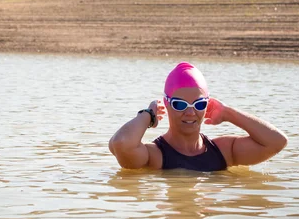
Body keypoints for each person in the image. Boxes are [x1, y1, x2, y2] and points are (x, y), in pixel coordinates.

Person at [109, 62, 287, 171]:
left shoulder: (223, 151)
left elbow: (277, 142)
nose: (190, 112)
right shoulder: (155, 155)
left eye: (199, 104)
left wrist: (228, 113)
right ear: (167, 104)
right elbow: (121, 144)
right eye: (180, 104)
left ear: (207, 104)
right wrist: (148, 115)